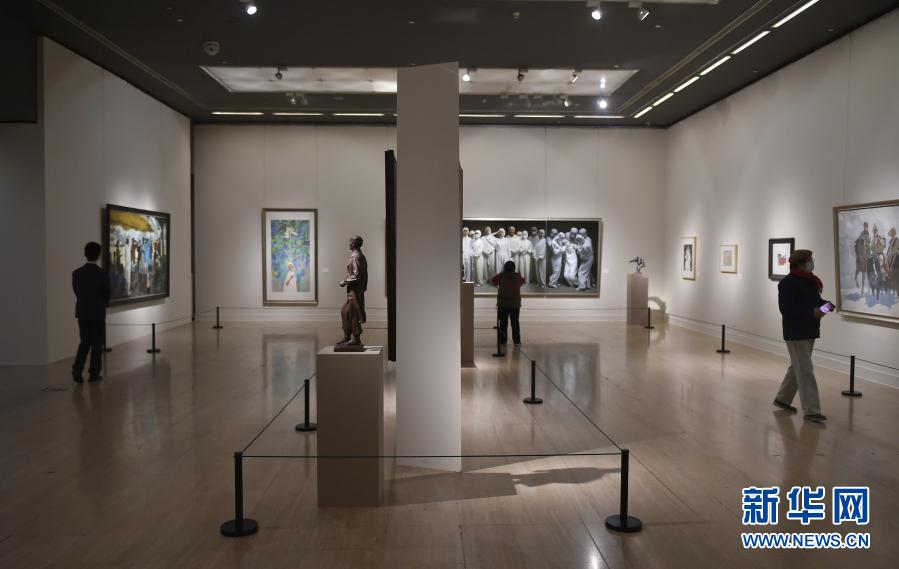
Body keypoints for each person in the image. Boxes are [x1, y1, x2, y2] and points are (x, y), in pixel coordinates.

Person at [773, 249, 831, 423]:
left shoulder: (811, 280)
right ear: (800, 263)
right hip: (796, 332)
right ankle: (812, 410)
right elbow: (786, 309)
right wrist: (812, 312)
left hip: (810, 329)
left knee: (798, 366)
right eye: (809, 260)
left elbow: (815, 302)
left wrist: (826, 306)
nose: (812, 262)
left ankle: (782, 399)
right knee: (805, 369)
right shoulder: (787, 283)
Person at [72, 242, 110, 383]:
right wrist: (101, 304)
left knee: (84, 342)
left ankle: (77, 371)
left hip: (82, 312)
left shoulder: (77, 273)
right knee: (97, 344)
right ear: (98, 255)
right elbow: (107, 294)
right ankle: (94, 374)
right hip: (97, 313)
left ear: (85, 254)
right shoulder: (102, 274)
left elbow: (77, 292)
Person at [337, 235, 368, 348]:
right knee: (346, 312)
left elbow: (357, 275)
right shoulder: (358, 256)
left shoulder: (356, 256)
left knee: (353, 314)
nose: (349, 244)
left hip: (355, 291)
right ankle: (347, 335)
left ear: (354, 244)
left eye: (350, 242)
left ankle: (356, 338)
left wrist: (344, 281)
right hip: (353, 291)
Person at [491, 260, 525, 346]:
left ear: (505, 268)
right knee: (515, 323)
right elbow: (523, 281)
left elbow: (493, 281)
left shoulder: (501, 276)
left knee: (503, 323)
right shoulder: (517, 276)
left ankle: (503, 341)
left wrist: (501, 274)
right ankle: (517, 341)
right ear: (514, 268)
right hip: (515, 304)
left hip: (503, 303)